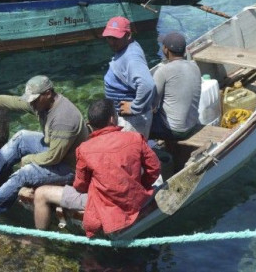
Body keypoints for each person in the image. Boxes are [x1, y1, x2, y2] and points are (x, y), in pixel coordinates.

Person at [0, 75, 89, 219]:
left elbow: (53, 157)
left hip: (69, 167)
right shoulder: (42, 103)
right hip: (57, 150)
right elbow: (12, 102)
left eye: (34, 100)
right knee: (22, 137)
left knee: (24, 173)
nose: (32, 103)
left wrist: (29, 159)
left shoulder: (63, 119)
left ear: (48, 94)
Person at [33, 99, 161, 237]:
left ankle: (41, 240)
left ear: (90, 124)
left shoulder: (84, 149)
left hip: (103, 206)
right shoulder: (135, 138)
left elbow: (80, 186)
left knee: (41, 193)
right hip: (135, 199)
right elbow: (154, 168)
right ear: (112, 119)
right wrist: (141, 185)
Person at [101, 16, 156, 138]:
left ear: (128, 35)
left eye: (116, 38)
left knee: (130, 153)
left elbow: (147, 85)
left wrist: (134, 107)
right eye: (109, 37)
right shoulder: (127, 48)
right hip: (127, 118)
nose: (111, 42)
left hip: (131, 121)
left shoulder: (132, 57)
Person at [149, 32, 202, 140]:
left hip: (175, 131)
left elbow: (152, 105)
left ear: (165, 50)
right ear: (184, 49)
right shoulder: (195, 66)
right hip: (192, 125)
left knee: (139, 121)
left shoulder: (163, 71)